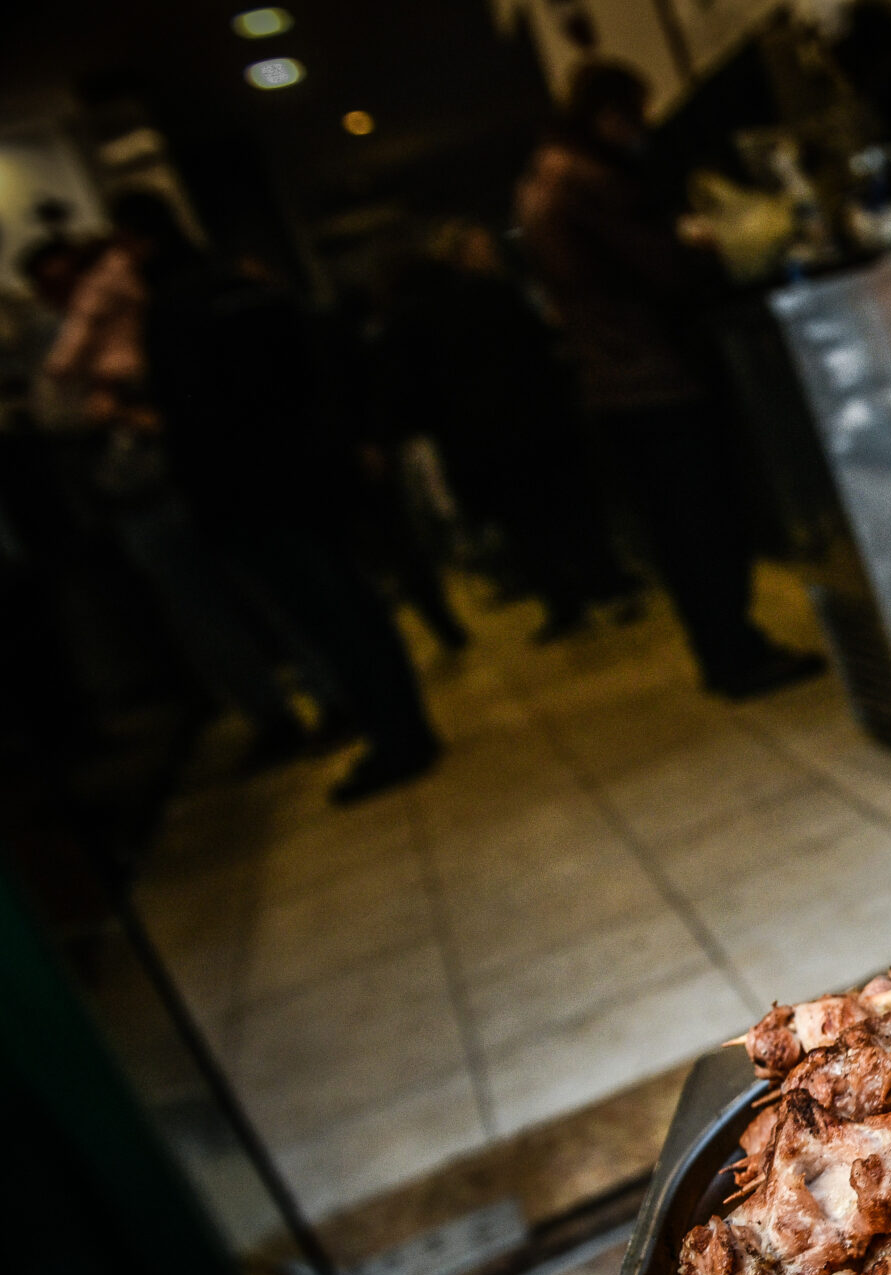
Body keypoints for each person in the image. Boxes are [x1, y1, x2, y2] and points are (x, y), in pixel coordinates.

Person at [118, 193, 442, 804]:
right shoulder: (246, 289)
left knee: (327, 619)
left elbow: (191, 417)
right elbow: (314, 372)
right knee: (357, 605)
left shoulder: (172, 312)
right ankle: (407, 727)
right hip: (308, 473)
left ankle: (393, 740)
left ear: (141, 241)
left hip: (246, 491)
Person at [515, 61, 822, 698]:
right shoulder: (589, 180)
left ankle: (723, 650)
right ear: (608, 114)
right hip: (654, 374)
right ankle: (736, 654)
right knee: (707, 522)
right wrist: (702, 244)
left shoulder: (541, 183)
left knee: (677, 534)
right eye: (636, 114)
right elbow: (659, 268)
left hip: (611, 384)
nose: (643, 128)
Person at [41, 205, 309, 768]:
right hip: (142, 494)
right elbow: (56, 415)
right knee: (214, 613)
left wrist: (124, 408)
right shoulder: (85, 342)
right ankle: (276, 714)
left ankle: (321, 695)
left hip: (186, 476)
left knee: (265, 592)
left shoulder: (151, 317)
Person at [374, 220, 633, 643]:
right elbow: (540, 345)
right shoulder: (492, 292)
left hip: (477, 439)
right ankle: (607, 583)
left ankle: (563, 602)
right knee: (571, 504)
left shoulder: (406, 321)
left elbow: (408, 395)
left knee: (523, 523)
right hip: (539, 418)